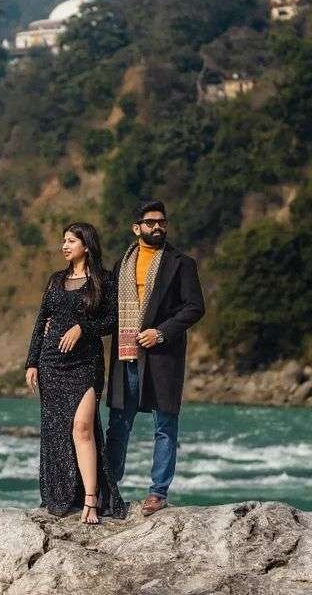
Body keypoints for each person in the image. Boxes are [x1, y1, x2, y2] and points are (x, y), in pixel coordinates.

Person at [104, 200, 205, 516]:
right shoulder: (121, 265)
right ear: (137, 228)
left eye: (162, 221)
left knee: (165, 425)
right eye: (150, 222)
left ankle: (158, 492)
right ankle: (109, 489)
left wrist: (160, 332)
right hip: (125, 355)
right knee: (119, 424)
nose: (158, 226)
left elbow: (194, 307)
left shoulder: (181, 263)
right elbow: (109, 311)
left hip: (163, 356)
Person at [25, 222, 128, 524]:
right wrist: (32, 362)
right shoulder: (56, 280)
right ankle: (61, 494)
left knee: (82, 428)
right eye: (64, 241)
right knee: (57, 430)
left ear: (86, 245)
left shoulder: (104, 280)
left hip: (85, 363)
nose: (65, 246)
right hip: (51, 362)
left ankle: (91, 500)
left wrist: (83, 327)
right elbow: (41, 320)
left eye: (71, 241)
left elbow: (113, 320)